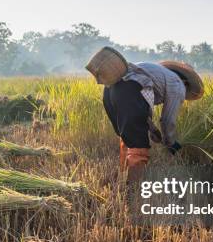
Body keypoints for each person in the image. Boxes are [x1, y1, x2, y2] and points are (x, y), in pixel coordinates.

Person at [85, 46, 203, 181]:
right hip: (129, 91)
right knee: (139, 148)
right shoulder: (178, 85)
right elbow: (167, 119)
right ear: (186, 82)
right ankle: (133, 190)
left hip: (109, 91)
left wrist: (152, 130)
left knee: (128, 139)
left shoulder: (156, 72)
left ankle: (123, 180)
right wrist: (170, 142)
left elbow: (141, 107)